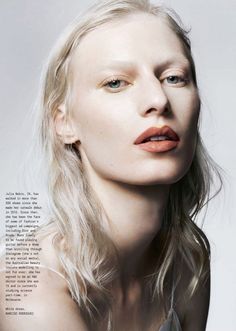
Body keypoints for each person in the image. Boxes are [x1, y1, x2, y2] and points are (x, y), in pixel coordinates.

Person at [0, 0, 222, 330]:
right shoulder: (32, 293)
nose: (158, 100)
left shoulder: (187, 263)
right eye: (116, 83)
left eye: (174, 77)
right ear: (64, 123)